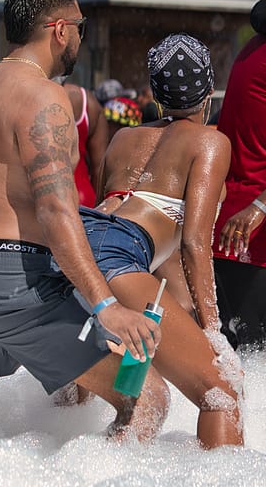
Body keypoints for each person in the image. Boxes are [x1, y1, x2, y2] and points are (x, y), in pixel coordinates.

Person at [0, 0, 242, 448]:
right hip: (17, 278)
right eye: (80, 26)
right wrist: (108, 306)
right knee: (151, 397)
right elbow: (58, 211)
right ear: (60, 30)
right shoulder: (44, 96)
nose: (81, 36)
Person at [92, 33, 243, 447]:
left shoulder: (122, 139)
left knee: (134, 394)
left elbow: (112, 226)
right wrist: (214, 334)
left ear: (156, 94)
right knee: (223, 391)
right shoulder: (210, 142)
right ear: (208, 92)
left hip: (79, 258)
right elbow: (194, 243)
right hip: (120, 261)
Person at [212, 0, 266, 348]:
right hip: (254, 231)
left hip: (229, 226)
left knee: (240, 360)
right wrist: (260, 206)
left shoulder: (252, 48)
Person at [64, 81, 108, 206]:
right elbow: (99, 168)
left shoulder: (29, 95)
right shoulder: (87, 101)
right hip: (83, 197)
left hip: (39, 200)